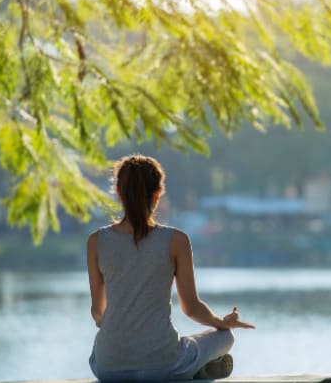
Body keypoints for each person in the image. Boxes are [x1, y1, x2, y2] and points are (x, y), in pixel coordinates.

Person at [87, 154, 255, 382]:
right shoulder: (176, 241)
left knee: (97, 353)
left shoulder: (96, 242)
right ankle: (198, 369)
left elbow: (98, 313)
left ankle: (196, 368)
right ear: (158, 194)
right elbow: (192, 308)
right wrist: (222, 324)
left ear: (118, 192)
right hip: (163, 365)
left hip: (109, 369)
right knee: (226, 338)